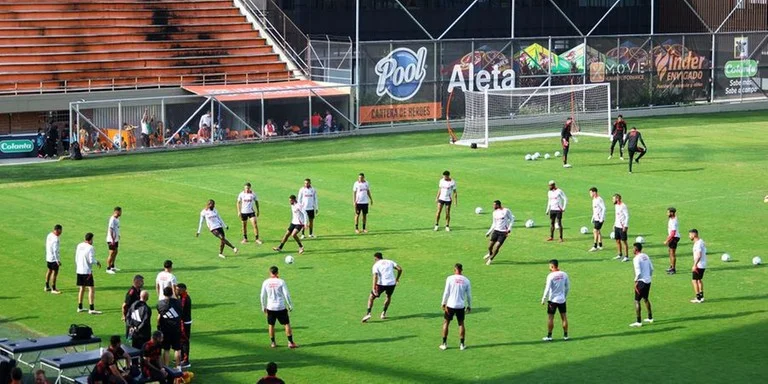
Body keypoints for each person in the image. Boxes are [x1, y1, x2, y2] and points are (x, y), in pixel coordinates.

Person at [260, 266, 298, 349]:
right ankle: (290, 342)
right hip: (280, 306)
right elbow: (286, 294)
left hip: (270, 307)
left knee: (271, 325)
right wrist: (290, 305)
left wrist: (263, 306)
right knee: (286, 324)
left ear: (270, 273)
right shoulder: (281, 281)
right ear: (277, 272)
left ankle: (273, 343)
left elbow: (262, 295)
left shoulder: (266, 282)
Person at [362, 252, 403, 322]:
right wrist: (397, 279)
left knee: (371, 297)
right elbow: (400, 269)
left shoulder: (376, 265)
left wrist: (373, 288)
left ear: (375, 258)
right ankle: (383, 313)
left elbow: (375, 276)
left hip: (381, 284)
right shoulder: (390, 262)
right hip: (391, 283)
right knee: (388, 296)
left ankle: (368, 313)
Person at [439, 263, 471, 351]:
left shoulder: (450, 278)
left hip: (450, 305)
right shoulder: (466, 280)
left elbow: (446, 292)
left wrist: (443, 303)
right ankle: (462, 345)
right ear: (462, 270)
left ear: (454, 270)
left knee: (446, 322)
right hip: (460, 305)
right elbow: (469, 295)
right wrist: (469, 306)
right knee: (461, 323)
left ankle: (444, 344)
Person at [541, 259, 570, 341]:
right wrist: (564, 296)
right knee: (564, 317)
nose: (549, 268)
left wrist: (543, 298)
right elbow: (567, 287)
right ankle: (566, 335)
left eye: (550, 266)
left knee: (550, 318)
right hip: (562, 300)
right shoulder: (564, 274)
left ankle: (549, 336)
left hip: (553, 300)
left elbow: (547, 288)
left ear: (552, 266)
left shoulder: (550, 276)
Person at [76, 232, 102, 314]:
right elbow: (91, 260)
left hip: (79, 270)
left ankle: (80, 307)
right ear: (90, 239)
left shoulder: (79, 245)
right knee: (91, 289)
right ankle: (91, 308)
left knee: (82, 288)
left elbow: (76, 257)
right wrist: (97, 262)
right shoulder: (90, 247)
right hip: (87, 271)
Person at [157, 286, 182, 369]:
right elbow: (181, 313)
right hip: (176, 328)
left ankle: (166, 367)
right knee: (177, 349)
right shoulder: (178, 302)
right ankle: (178, 367)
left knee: (166, 349)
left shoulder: (160, 304)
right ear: (172, 293)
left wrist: (158, 326)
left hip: (165, 329)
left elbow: (159, 316)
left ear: (163, 294)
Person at [483, 200, 515, 265]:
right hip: (496, 231)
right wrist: (489, 232)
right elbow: (494, 223)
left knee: (497, 246)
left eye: (494, 205)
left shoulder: (506, 211)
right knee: (489, 247)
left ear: (498, 205)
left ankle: (490, 259)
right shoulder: (494, 213)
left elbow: (512, 219)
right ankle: (490, 253)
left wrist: (509, 228)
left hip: (503, 232)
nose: (493, 206)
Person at [630, 243, 654, 327]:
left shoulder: (636, 259)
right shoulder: (646, 256)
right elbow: (651, 268)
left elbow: (638, 272)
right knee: (646, 298)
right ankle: (650, 318)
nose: (632, 250)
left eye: (633, 248)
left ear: (636, 249)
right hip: (648, 281)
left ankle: (638, 321)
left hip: (641, 282)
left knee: (637, 300)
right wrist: (648, 277)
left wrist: (636, 281)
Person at [688, 229, 707, 303]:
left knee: (694, 281)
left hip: (699, 265)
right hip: (703, 264)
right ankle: (701, 296)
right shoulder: (701, 241)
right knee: (699, 280)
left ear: (694, 234)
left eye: (690, 235)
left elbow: (699, 255)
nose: (689, 236)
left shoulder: (698, 244)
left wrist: (694, 265)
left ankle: (698, 298)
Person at [176, 283, 192, 368]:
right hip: (184, 321)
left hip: (184, 322)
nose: (176, 291)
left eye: (178, 289)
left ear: (183, 290)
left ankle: (186, 361)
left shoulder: (184, 298)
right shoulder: (183, 297)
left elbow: (180, 310)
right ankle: (182, 357)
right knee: (182, 340)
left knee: (185, 341)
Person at [45, 224, 63, 294]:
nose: (61, 232)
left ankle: (46, 286)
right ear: (58, 230)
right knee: (55, 273)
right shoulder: (56, 239)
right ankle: (53, 288)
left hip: (48, 257)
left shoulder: (49, 235)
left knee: (49, 270)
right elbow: (55, 250)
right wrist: (57, 260)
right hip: (53, 259)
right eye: (60, 230)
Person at [612, 194, 630, 262]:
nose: (612, 200)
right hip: (617, 226)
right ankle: (620, 254)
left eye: (613, 199)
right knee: (617, 240)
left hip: (622, 227)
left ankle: (626, 256)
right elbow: (617, 216)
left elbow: (627, 216)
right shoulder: (616, 206)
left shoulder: (623, 206)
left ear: (617, 199)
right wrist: (614, 224)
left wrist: (625, 225)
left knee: (624, 241)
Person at [664, 207, 681, 275]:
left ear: (672, 213)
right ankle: (671, 266)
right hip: (673, 237)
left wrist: (667, 240)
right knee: (670, 252)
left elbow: (673, 233)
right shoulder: (672, 219)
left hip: (674, 237)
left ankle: (673, 269)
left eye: (668, 212)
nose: (667, 214)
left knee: (672, 253)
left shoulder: (673, 221)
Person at [588, 187, 606, 252]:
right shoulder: (594, 199)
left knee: (595, 231)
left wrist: (601, 218)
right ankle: (600, 245)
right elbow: (595, 209)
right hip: (596, 218)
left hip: (599, 218)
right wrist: (593, 217)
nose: (590, 194)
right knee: (598, 231)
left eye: (591, 193)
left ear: (594, 192)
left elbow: (604, 208)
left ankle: (595, 246)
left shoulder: (599, 199)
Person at [105, 206, 122, 274]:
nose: (121, 213)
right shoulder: (112, 219)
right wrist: (112, 239)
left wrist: (118, 235)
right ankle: (108, 268)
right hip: (111, 240)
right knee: (111, 253)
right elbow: (110, 229)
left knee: (115, 252)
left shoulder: (117, 219)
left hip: (116, 239)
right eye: (120, 211)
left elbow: (117, 228)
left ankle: (112, 266)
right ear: (116, 211)